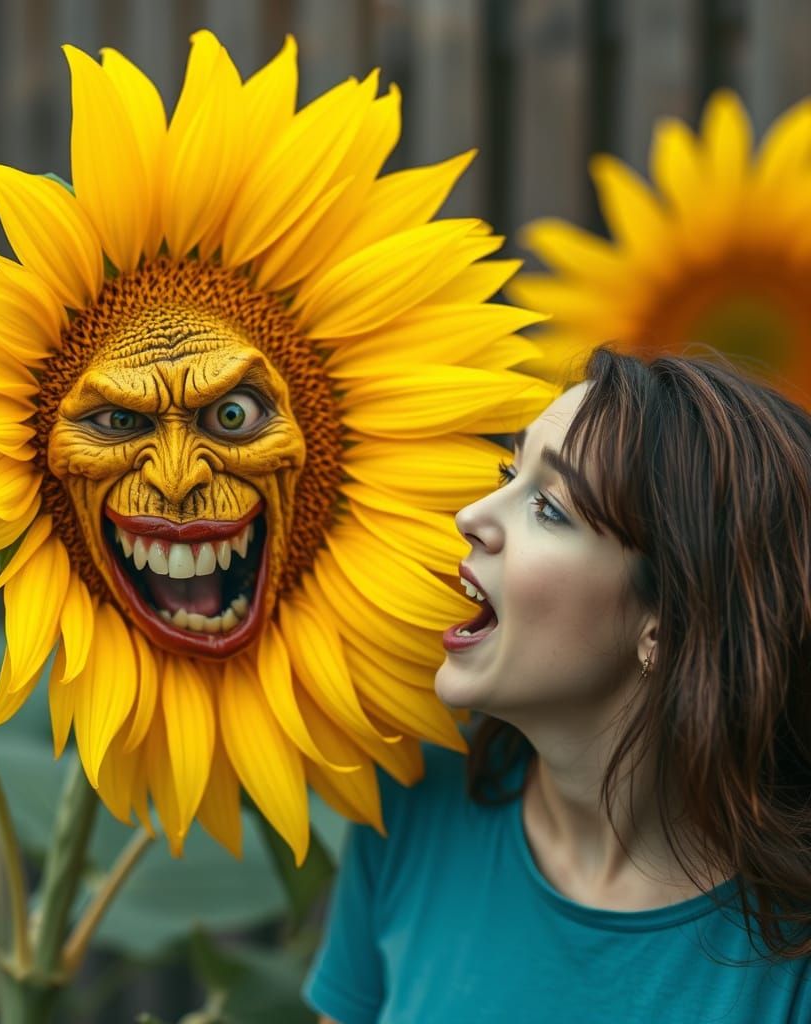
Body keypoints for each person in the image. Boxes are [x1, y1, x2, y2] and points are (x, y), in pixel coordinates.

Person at [303, 347, 811, 1023]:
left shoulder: (787, 963)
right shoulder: (414, 806)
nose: (472, 516)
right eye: (507, 472)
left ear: (668, 623)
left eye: (548, 507)